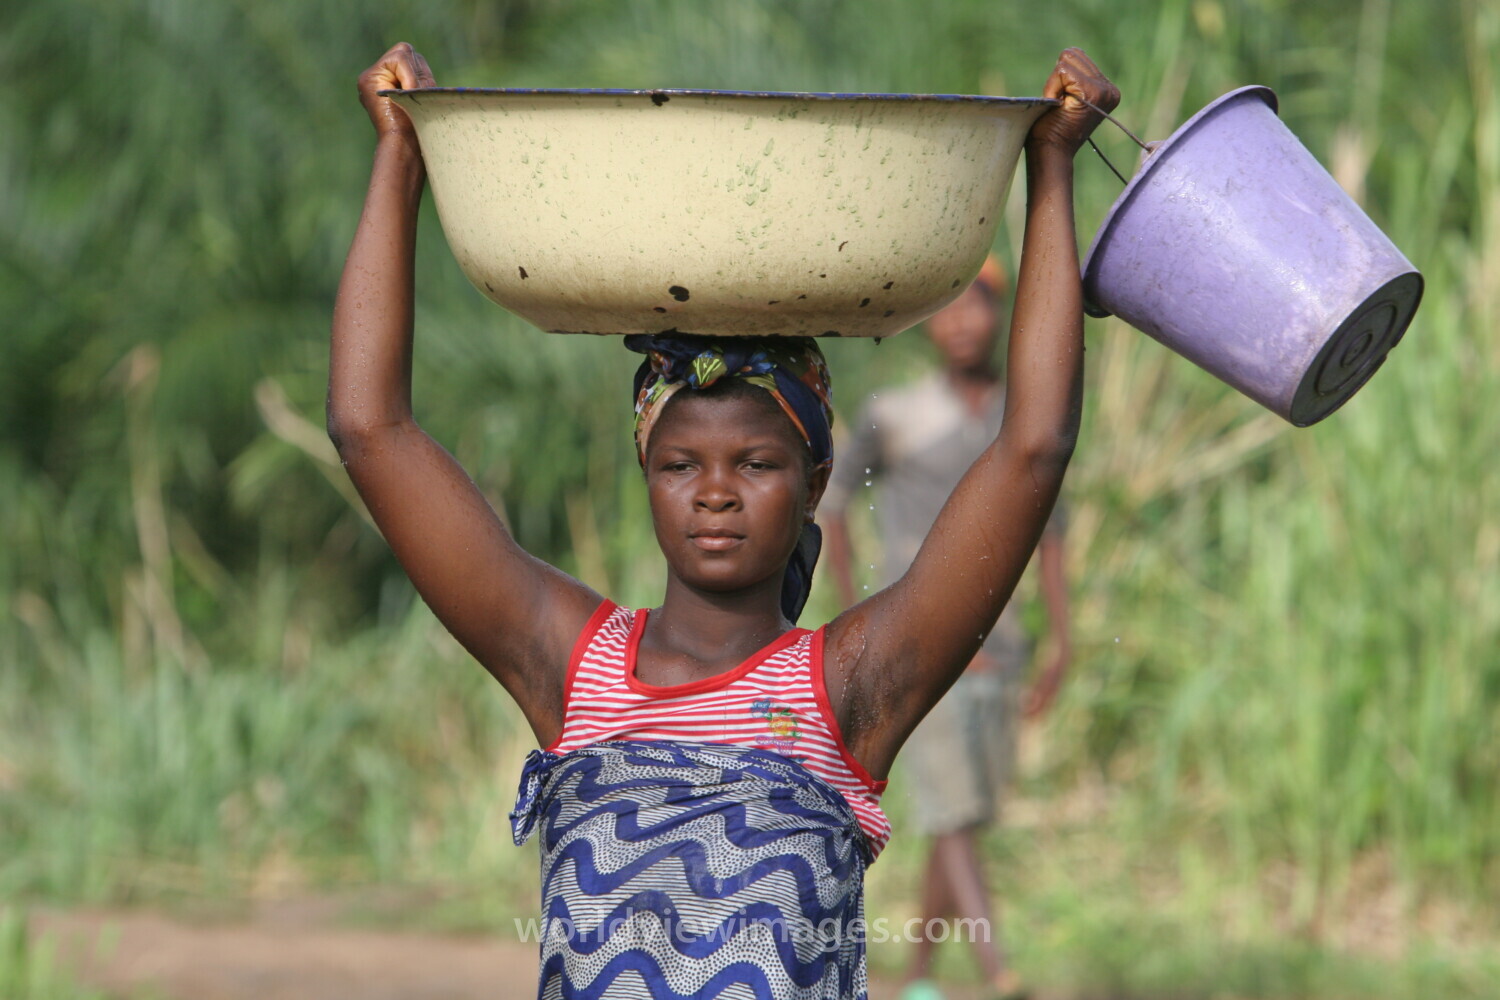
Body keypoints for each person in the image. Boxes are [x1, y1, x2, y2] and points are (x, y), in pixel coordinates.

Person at [329, 41, 1117, 1000]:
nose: (713, 492)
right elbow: (372, 433)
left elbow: (1030, 448)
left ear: (816, 477)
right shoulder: (571, 668)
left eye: (755, 463)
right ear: (646, 473)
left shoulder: (849, 689)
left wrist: (1050, 169)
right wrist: (401, 158)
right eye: (680, 465)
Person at [822, 260, 1072, 1000]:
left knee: (962, 812)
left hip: (1002, 647)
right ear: (929, 322)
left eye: (979, 307)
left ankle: (922, 977)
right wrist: (857, 611)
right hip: (920, 644)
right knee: (951, 809)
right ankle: (1002, 973)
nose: (962, 323)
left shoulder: (1023, 415)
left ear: (1001, 317)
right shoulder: (896, 413)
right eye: (949, 309)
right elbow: (832, 504)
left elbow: (1051, 531)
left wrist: (1062, 637)